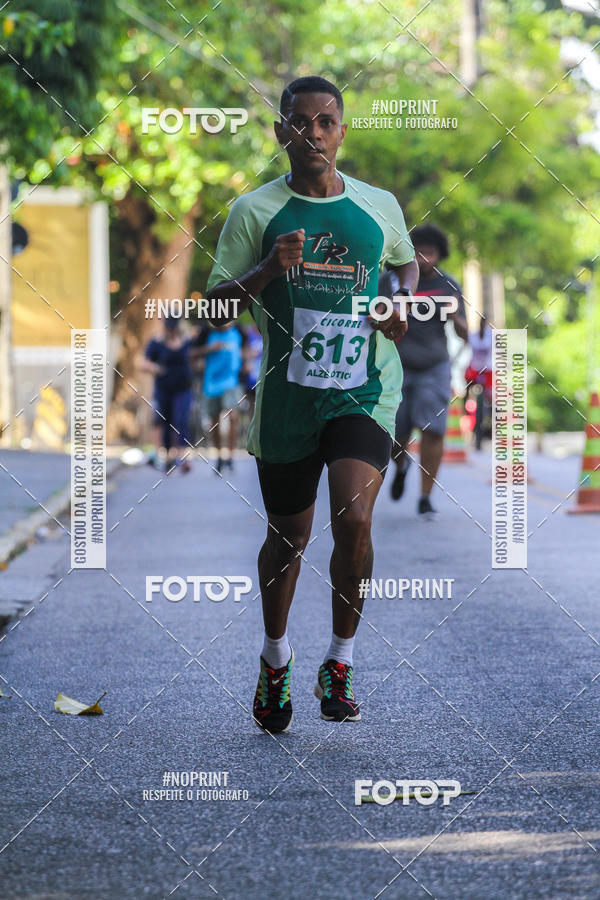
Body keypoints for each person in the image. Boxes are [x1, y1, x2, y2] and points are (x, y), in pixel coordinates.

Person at [205, 75, 418, 733]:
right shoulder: (255, 211)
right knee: (289, 538)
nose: (314, 134)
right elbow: (215, 310)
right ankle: (275, 661)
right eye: (300, 122)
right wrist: (268, 268)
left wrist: (400, 300)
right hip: (290, 400)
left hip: (366, 390)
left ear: (342, 133)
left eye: (326, 123)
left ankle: (341, 660)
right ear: (281, 133)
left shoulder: (378, 206)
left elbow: (407, 266)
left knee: (354, 519)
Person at [380, 223, 468, 518]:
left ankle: (426, 496)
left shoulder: (448, 285)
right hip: (395, 366)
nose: (423, 259)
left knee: (433, 430)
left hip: (433, 366)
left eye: (429, 253)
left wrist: (455, 316)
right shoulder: (389, 281)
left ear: (439, 255)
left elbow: (466, 333)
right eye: (418, 252)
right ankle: (401, 464)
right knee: (394, 434)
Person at [139, 317, 193, 473]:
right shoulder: (156, 343)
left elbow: (194, 357)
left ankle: (182, 456)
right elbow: (143, 363)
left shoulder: (187, 341)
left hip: (183, 388)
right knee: (166, 421)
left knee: (181, 419)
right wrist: (155, 368)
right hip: (164, 389)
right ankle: (169, 457)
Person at [197, 322, 243, 473]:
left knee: (233, 416)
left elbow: (247, 348)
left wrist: (247, 360)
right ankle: (219, 457)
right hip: (211, 384)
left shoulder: (239, 330)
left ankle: (230, 456)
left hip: (231, 382)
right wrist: (209, 349)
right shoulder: (206, 331)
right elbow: (190, 352)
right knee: (214, 421)